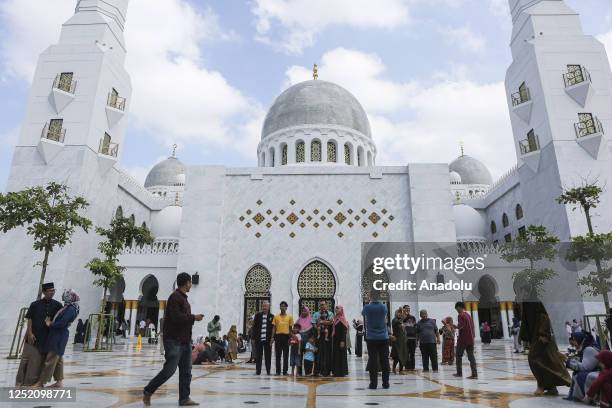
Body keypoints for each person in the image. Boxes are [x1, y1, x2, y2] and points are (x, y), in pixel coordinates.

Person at [143, 272, 204, 406]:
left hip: (185, 341)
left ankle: (184, 398)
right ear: (187, 282)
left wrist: (192, 319)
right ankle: (148, 390)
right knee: (169, 370)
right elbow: (177, 317)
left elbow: (182, 318)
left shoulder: (183, 298)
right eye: (190, 283)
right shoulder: (175, 297)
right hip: (174, 341)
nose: (191, 285)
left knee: (186, 371)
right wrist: (194, 317)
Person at [15, 282, 63, 387]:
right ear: (44, 292)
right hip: (34, 336)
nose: (52, 292)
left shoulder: (58, 305)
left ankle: (44, 382)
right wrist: (29, 332)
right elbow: (30, 318)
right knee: (29, 359)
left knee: (48, 360)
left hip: (49, 337)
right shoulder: (35, 305)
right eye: (50, 291)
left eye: (53, 290)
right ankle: (21, 381)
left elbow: (61, 321)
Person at [520, 301, 570, 395]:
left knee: (533, 359)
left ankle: (541, 385)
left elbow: (544, 316)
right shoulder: (526, 304)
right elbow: (526, 320)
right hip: (535, 336)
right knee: (546, 360)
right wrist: (524, 336)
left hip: (541, 337)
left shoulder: (534, 302)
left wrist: (544, 333)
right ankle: (552, 387)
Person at [33, 289, 80, 388]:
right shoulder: (69, 307)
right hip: (57, 334)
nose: (64, 296)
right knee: (58, 359)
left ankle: (40, 382)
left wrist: (51, 324)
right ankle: (59, 382)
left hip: (59, 335)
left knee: (50, 359)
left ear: (71, 297)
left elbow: (63, 323)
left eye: (67, 295)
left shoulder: (71, 308)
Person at [362, 290, 390, 389]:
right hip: (383, 337)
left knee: (373, 360)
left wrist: (369, 302)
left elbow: (363, 313)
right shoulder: (383, 306)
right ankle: (385, 383)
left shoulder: (367, 307)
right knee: (385, 360)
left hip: (371, 338)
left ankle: (373, 384)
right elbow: (385, 314)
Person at [566, 331, 600, 401]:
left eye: (574, 342)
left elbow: (585, 367)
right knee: (576, 373)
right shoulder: (586, 348)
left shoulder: (589, 349)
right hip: (596, 371)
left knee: (580, 375)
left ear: (579, 339)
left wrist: (568, 362)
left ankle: (587, 397)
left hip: (597, 373)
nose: (574, 346)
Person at [454, 302, 478, 379]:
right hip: (471, 339)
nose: (457, 310)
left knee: (458, 355)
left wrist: (455, 326)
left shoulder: (461, 315)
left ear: (459, 307)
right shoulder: (468, 315)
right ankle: (474, 374)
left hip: (463, 339)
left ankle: (459, 373)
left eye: (457, 308)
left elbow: (461, 326)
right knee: (471, 357)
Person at [312, 301, 334, 376]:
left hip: (327, 337)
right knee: (318, 353)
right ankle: (317, 371)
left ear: (326, 305)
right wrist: (320, 326)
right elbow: (314, 324)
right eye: (321, 305)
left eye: (324, 305)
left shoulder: (330, 313)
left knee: (326, 353)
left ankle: (326, 371)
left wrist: (321, 322)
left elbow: (331, 322)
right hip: (318, 337)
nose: (322, 306)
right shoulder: (316, 314)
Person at [252, 301, 274, 375]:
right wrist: (253, 338)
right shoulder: (258, 315)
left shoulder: (272, 316)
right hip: (259, 339)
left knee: (268, 356)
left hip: (267, 340)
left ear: (268, 307)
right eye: (263, 306)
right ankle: (258, 371)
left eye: (266, 306)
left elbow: (273, 328)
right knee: (258, 356)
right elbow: (254, 327)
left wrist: (272, 338)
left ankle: (268, 371)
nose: (264, 307)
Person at [272, 301, 293, 375]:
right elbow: (274, 328)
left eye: (284, 306)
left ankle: (285, 371)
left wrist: (291, 338)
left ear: (286, 307)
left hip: (286, 337)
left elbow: (290, 329)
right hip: (278, 337)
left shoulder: (289, 317)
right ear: (280, 307)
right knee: (278, 355)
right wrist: (272, 338)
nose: (283, 307)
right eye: (281, 306)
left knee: (286, 355)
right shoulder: (276, 317)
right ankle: (278, 371)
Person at [331, 305, 349, 377]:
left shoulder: (342, 319)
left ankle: (341, 372)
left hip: (341, 340)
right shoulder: (336, 318)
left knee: (341, 355)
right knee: (336, 355)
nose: (336, 310)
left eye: (338, 309)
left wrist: (342, 341)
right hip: (335, 339)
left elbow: (344, 331)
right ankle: (336, 371)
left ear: (341, 310)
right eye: (336, 309)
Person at [391, 308, 408, 373]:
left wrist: (403, 312)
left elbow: (403, 331)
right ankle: (393, 368)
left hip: (403, 341)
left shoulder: (401, 322)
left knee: (403, 355)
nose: (400, 314)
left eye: (400, 313)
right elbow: (401, 319)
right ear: (396, 313)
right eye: (399, 313)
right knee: (397, 356)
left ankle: (401, 370)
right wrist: (403, 313)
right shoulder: (394, 320)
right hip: (397, 341)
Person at [402, 305, 417, 371]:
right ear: (403, 309)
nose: (408, 310)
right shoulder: (401, 317)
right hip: (405, 338)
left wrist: (417, 337)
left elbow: (415, 327)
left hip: (413, 338)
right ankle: (407, 366)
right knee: (406, 353)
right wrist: (405, 315)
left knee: (412, 353)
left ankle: (412, 367)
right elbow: (402, 322)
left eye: (409, 309)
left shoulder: (413, 317)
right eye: (406, 309)